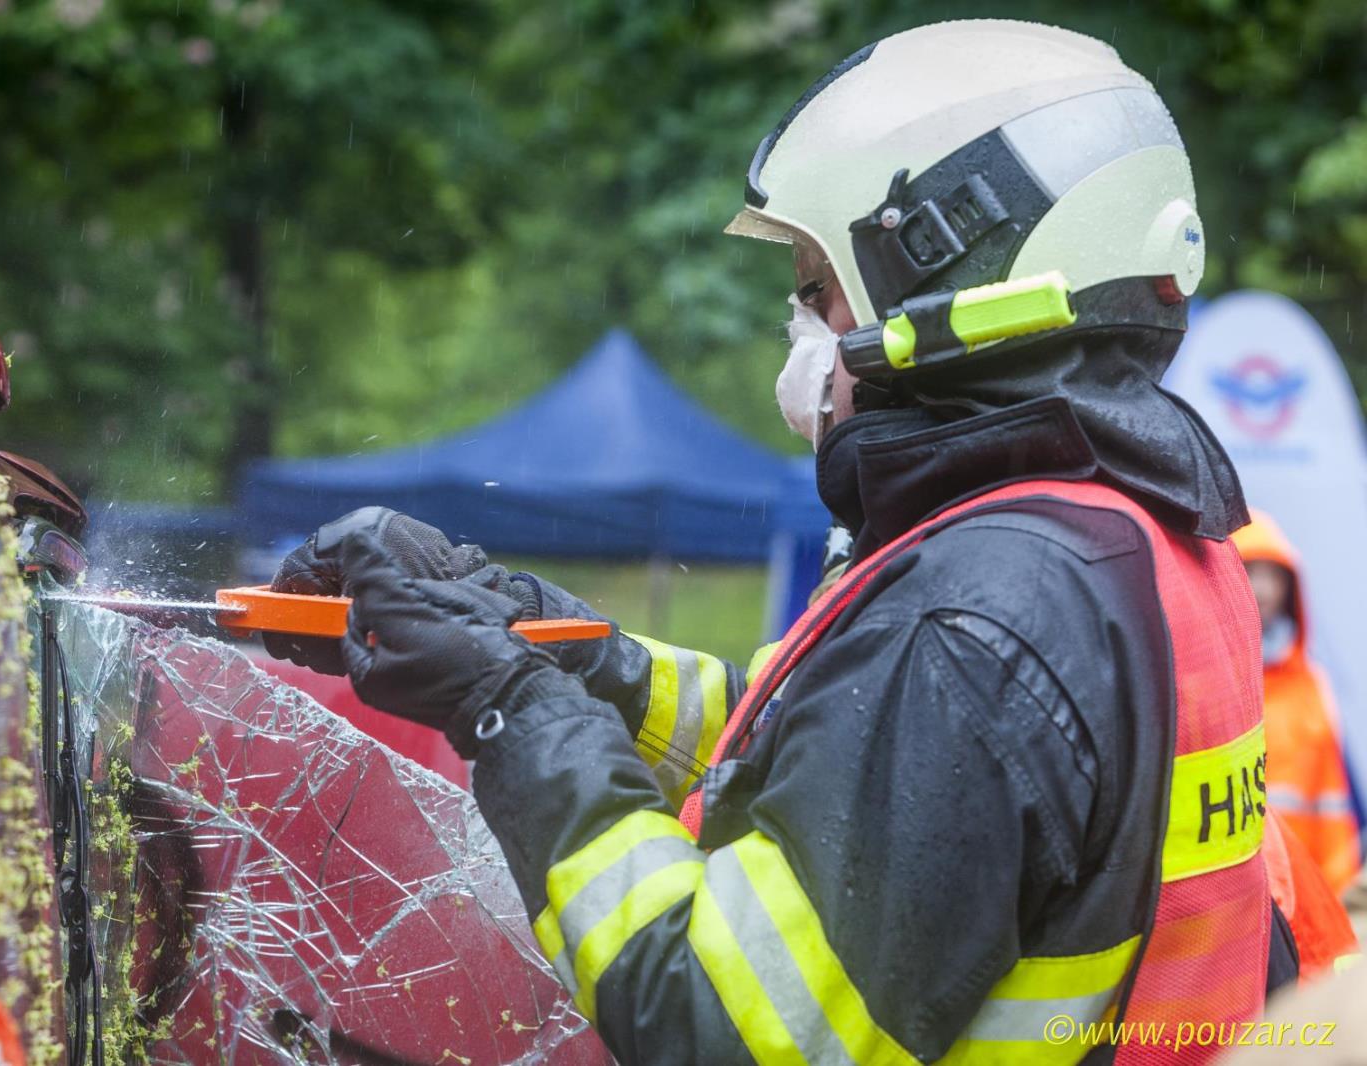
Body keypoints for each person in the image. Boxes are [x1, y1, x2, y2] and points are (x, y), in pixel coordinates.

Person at [268, 21, 1308, 1063]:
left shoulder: (974, 619)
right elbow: (820, 747)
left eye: (817, 286)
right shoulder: (1120, 534)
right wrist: (542, 640)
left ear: (958, 270)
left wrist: (506, 709)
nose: (799, 324)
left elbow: (710, 1024)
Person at [1233, 511, 1364, 896]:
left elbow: (1333, 809)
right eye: (1250, 572)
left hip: (1301, 897)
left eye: (1274, 575)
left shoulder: (1311, 686)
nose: (1263, 589)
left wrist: (1337, 898)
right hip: (1231, 895)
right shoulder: (1199, 682)